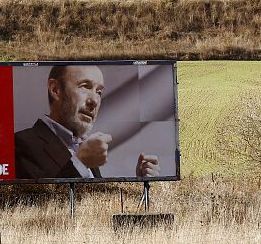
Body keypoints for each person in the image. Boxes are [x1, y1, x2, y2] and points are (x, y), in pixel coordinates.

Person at [14, 65, 159, 180]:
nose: (94, 101)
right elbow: (36, 206)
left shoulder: (83, 148)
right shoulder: (20, 143)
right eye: (85, 86)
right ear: (55, 89)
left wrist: (142, 183)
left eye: (99, 92)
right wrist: (80, 163)